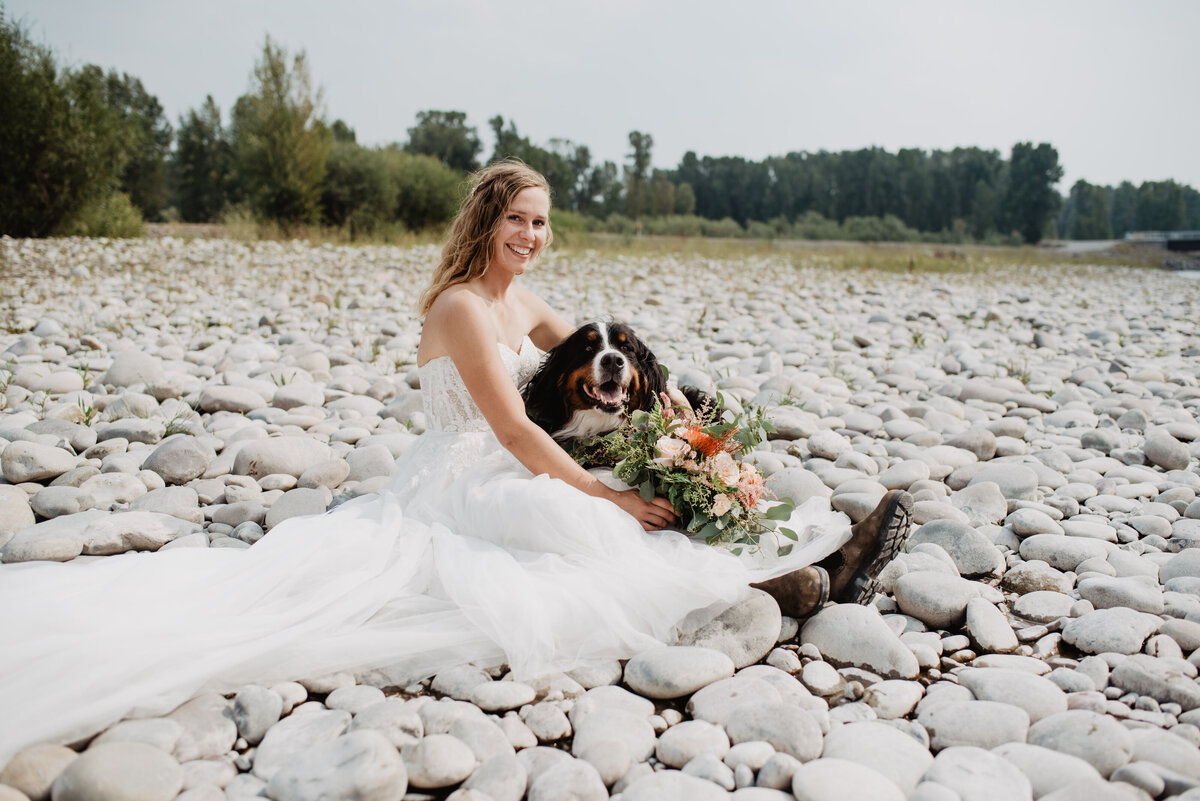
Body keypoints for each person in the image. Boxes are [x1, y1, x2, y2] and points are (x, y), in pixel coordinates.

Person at [0, 161, 909, 767]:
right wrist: (604, 492)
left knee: (634, 491)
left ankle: (801, 570)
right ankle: (794, 582)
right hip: (460, 475)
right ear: (486, 218)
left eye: (542, 222)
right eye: (517, 219)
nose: (531, 234)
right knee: (590, 519)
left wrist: (683, 420)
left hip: (502, 465)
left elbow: (591, 349)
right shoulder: (467, 308)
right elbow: (515, 431)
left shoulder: (520, 297)